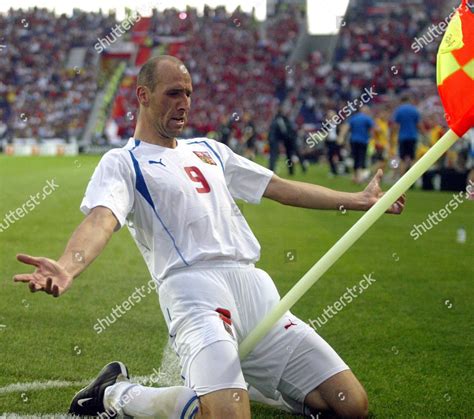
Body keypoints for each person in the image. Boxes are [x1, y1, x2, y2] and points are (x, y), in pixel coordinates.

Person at [13, 55, 405, 419]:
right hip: (194, 293)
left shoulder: (210, 150)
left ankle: (239, 382)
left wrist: (359, 200)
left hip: (256, 291)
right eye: (173, 93)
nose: (184, 102)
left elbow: (281, 188)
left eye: (188, 93)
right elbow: (101, 220)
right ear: (143, 96)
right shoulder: (123, 161)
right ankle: (113, 393)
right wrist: (67, 266)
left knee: (350, 406)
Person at [340, 106, 376, 184]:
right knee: (361, 158)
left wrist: (342, 137)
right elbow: (373, 129)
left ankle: (354, 177)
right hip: (363, 141)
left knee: (355, 158)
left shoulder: (354, 117)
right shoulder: (367, 118)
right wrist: (372, 137)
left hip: (353, 140)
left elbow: (346, 127)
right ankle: (359, 178)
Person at [268, 105, 306, 175]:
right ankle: (292, 170)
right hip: (288, 140)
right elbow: (285, 131)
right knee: (290, 155)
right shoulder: (284, 119)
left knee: (290, 155)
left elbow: (284, 131)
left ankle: (299, 168)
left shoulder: (280, 119)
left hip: (290, 140)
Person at [391, 95, 422, 177]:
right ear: (409, 100)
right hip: (413, 136)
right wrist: (424, 133)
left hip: (402, 137)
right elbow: (418, 124)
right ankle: (413, 178)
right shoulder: (414, 110)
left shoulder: (399, 110)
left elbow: (395, 126)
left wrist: (392, 136)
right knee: (412, 158)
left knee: (402, 159)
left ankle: (402, 178)